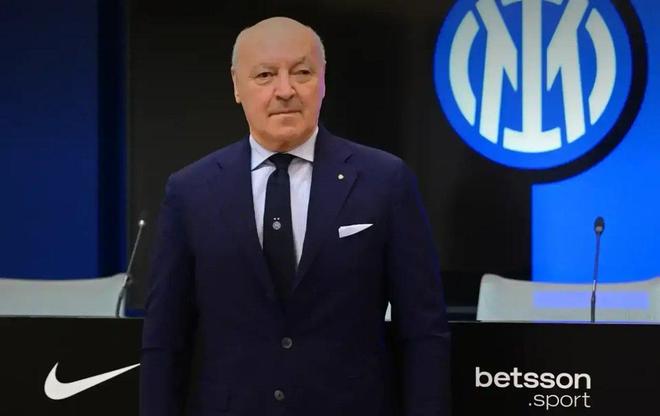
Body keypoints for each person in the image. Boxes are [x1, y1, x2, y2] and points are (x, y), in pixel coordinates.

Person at [140, 16, 450, 416]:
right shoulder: (190, 190)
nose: (285, 90)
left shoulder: (385, 180)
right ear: (237, 85)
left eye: (302, 73)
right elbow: (165, 338)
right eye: (265, 75)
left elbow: (423, 331)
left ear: (323, 80)